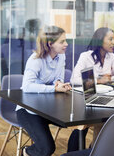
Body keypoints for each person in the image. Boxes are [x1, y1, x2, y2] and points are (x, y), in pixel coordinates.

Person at [68, 27, 114, 152]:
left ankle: (96, 150)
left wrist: (110, 78)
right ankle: (76, 152)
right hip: (86, 98)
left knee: (105, 122)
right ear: (100, 40)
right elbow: (74, 79)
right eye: (110, 39)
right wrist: (99, 80)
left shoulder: (111, 56)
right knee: (83, 125)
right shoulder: (86, 56)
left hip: (104, 97)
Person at [15, 25, 72, 156]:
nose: (66, 44)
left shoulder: (61, 56)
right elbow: (27, 86)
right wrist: (54, 88)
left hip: (48, 109)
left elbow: (59, 77)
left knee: (78, 126)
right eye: (62, 41)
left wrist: (59, 83)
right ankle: (27, 152)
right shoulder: (36, 60)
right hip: (28, 110)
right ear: (50, 44)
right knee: (47, 148)